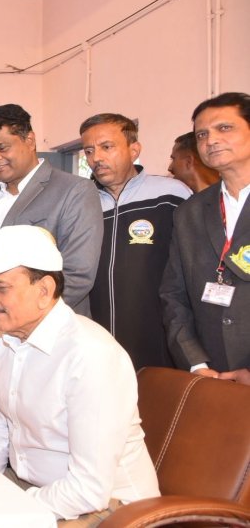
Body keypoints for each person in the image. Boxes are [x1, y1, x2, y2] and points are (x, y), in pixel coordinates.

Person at [0, 225, 159, 524]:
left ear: (44, 291)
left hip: (111, 508)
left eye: (0, 287)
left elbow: (88, 490)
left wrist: (8, 507)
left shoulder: (90, 355)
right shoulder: (8, 337)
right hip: (34, 491)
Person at [0, 103, 102, 448]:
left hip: (44, 348)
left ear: (30, 140)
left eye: (2, 148)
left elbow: (78, 274)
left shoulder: (73, 191)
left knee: (39, 449)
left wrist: (7, 321)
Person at [82, 113, 191, 369]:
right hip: (95, 339)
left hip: (158, 336)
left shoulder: (171, 194)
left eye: (107, 147)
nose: (96, 158)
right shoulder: (83, 203)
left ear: (134, 150)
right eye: (89, 151)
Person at [161, 92, 250, 385]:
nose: (211, 140)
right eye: (202, 134)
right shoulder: (190, 211)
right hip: (211, 377)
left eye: (224, 128)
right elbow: (174, 294)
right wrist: (196, 363)